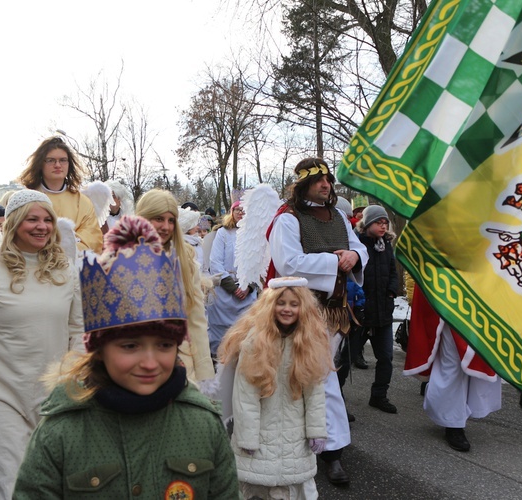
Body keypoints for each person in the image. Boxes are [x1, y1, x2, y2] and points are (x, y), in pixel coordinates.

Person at [14, 215, 240, 498]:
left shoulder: (203, 426)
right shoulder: (60, 433)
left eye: (165, 345)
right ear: (100, 349)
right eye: (130, 346)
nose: (149, 362)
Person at [0, 190, 85, 499]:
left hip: (56, 396)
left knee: (54, 484)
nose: (41, 226)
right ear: (13, 223)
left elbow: (78, 331)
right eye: (32, 219)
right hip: (2, 397)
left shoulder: (66, 271)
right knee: (11, 485)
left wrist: (77, 384)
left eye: (47, 219)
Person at [267, 157, 368, 486]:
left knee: (321, 376)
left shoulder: (339, 215)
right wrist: (333, 260)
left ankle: (327, 447)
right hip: (301, 311)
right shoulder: (288, 219)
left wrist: (354, 256)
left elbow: (357, 249)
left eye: (328, 178)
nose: (326, 184)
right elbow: (287, 262)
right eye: (318, 180)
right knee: (313, 378)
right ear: (303, 185)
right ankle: (327, 448)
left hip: (334, 311)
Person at [219, 277, 329, 499]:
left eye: (293, 304)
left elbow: (314, 392)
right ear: (270, 305)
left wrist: (316, 430)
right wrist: (247, 437)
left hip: (294, 437)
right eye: (281, 303)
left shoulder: (308, 345)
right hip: (258, 438)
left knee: (291, 489)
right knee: (257, 488)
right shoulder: (255, 342)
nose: (286, 309)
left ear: (303, 308)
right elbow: (245, 395)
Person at [404, 286, 502, 451]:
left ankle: (465, 410)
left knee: (481, 355)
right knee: (453, 359)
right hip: (449, 293)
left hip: (479, 294)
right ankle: (453, 423)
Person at [136, 189, 215, 384]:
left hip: (181, 364)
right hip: (137, 366)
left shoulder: (185, 261)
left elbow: (196, 319)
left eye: (171, 220)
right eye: (159, 219)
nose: (165, 226)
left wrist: (205, 373)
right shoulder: (119, 260)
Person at [19, 136, 102, 252]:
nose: (57, 165)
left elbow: (93, 239)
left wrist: (64, 250)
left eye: (63, 160)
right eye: (50, 160)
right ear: (40, 164)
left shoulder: (82, 201)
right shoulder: (25, 199)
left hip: (73, 265)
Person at [355, 205, 400, 414]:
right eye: (378, 223)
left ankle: (379, 395)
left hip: (383, 311)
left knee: (386, 357)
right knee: (346, 358)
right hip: (360, 312)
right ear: (367, 224)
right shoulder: (356, 245)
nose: (383, 226)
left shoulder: (386, 244)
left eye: (385, 223)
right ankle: (335, 403)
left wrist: (391, 293)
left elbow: (392, 272)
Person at [207, 201, 258, 357]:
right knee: (222, 333)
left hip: (246, 292)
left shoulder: (254, 234)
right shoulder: (224, 233)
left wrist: (248, 286)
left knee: (246, 329)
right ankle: (218, 357)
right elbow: (215, 262)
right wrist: (233, 287)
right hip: (225, 290)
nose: (240, 213)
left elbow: (258, 261)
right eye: (237, 209)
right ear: (232, 211)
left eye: (244, 210)